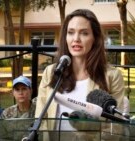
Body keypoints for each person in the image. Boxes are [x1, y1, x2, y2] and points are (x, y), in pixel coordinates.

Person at [35, 9, 125, 140]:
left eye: (84, 33)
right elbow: (40, 118)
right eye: (71, 32)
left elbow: (116, 127)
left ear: (95, 38)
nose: (76, 39)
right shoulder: (51, 72)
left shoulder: (112, 76)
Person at [0, 76, 36, 141]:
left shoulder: (39, 111)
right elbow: (0, 137)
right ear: (13, 92)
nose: (20, 93)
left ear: (30, 91)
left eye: (24, 89)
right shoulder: (7, 113)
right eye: (17, 89)